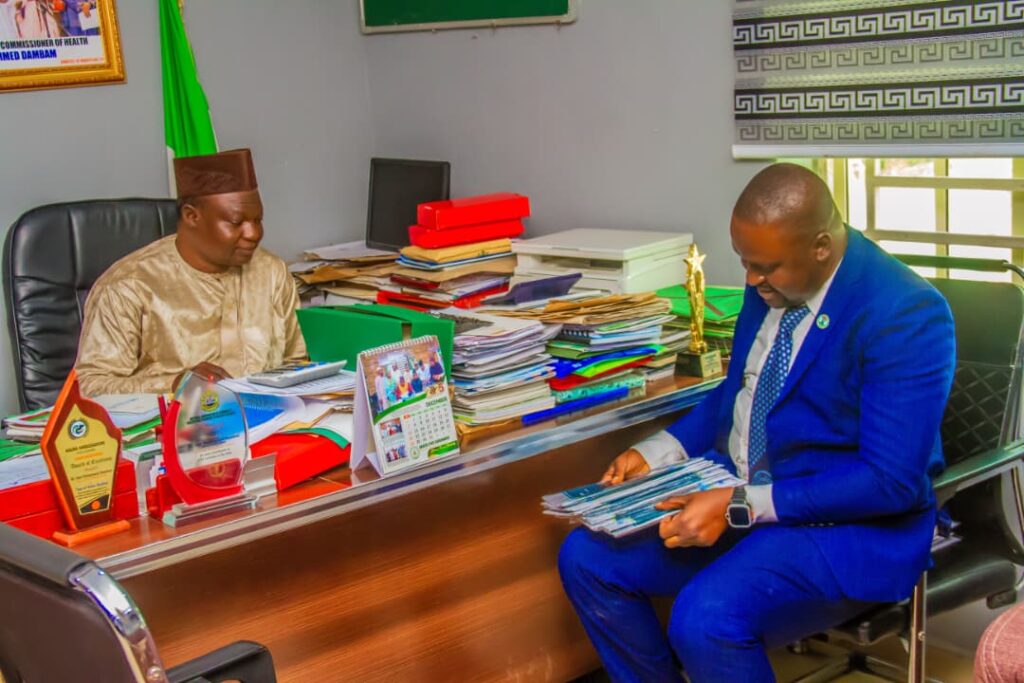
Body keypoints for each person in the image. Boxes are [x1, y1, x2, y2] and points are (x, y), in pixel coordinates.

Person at [558, 163, 956, 682]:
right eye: (745, 262)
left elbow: (890, 483)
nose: (750, 280)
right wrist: (658, 450)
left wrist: (739, 504)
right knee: (588, 558)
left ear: (820, 246)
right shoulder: (773, 281)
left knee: (705, 620)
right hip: (738, 489)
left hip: (841, 525)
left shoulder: (904, 313)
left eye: (764, 267)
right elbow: (741, 391)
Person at [75, 148, 307, 396]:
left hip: (271, 414)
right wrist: (175, 384)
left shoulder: (271, 271)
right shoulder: (128, 286)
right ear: (191, 216)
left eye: (258, 220)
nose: (254, 234)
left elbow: (298, 361)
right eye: (237, 222)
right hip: (175, 419)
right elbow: (89, 386)